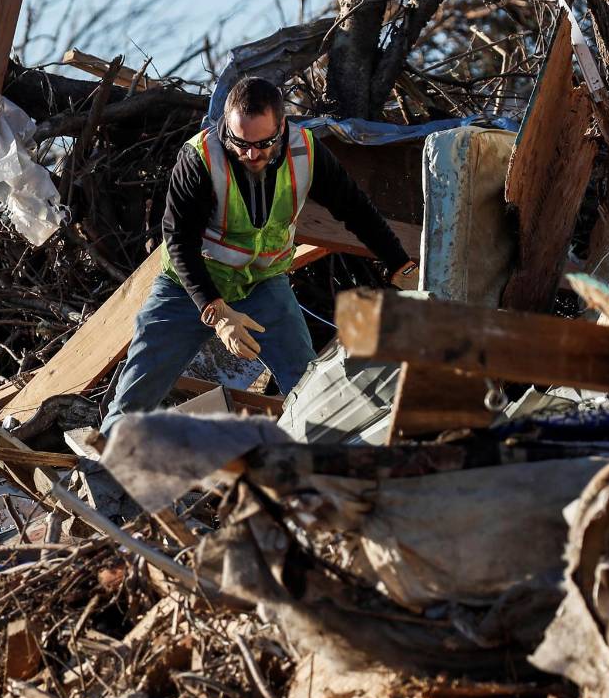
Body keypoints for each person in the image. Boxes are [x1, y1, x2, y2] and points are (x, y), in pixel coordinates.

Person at [100, 77, 417, 437]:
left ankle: (325, 468)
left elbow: (356, 210)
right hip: (188, 290)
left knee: (309, 385)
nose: (252, 154)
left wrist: (399, 264)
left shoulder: (307, 152)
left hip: (263, 286)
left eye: (264, 143)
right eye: (241, 143)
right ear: (226, 128)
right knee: (136, 393)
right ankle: (103, 470)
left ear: (282, 127)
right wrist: (217, 314)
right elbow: (179, 240)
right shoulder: (200, 158)